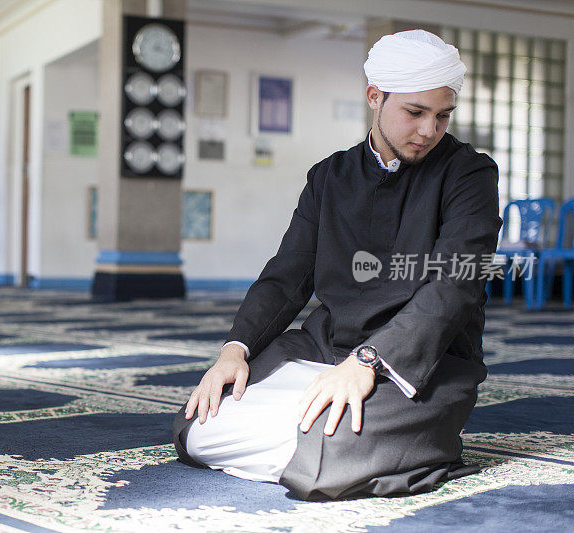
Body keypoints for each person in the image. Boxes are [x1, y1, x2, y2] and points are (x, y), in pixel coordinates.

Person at [172, 29, 503, 500]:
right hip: (324, 350)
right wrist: (235, 349)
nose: (429, 130)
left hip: (420, 361)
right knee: (196, 424)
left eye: (442, 115)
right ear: (375, 97)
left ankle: (353, 433)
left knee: (330, 459)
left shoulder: (469, 174)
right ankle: (314, 428)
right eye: (414, 112)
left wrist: (370, 359)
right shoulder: (330, 176)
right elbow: (287, 275)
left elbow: (455, 286)